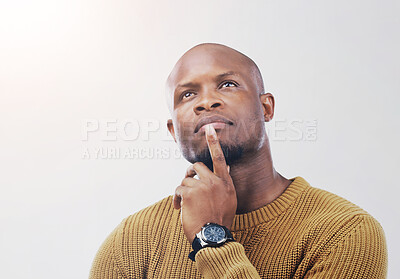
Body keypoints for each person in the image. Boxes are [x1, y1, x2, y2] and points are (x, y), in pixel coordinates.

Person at [89, 43, 388, 278]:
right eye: (188, 94)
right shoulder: (133, 239)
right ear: (173, 130)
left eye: (228, 84)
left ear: (266, 107)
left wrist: (211, 238)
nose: (206, 102)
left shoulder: (345, 232)